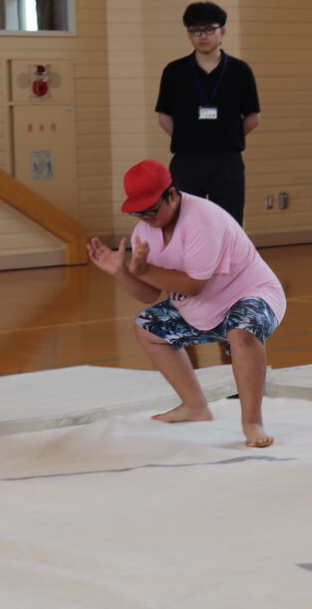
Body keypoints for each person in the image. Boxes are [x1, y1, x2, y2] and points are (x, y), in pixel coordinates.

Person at [88, 159, 287, 448]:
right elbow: (148, 294)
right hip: (202, 308)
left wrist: (143, 270)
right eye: (139, 213)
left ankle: (252, 422)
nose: (147, 218)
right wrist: (121, 272)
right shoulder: (145, 232)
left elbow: (194, 285)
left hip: (250, 294)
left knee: (242, 332)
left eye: (152, 209)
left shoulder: (202, 219)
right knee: (147, 327)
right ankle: (195, 405)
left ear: (172, 194)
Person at [155, 1, 260, 224]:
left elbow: (253, 117)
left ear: (222, 31)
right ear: (189, 35)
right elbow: (164, 116)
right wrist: (187, 137)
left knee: (229, 223)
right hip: (187, 160)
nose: (203, 36)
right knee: (185, 222)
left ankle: (226, 261)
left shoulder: (240, 71)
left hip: (227, 160)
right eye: (195, 30)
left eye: (209, 29)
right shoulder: (174, 72)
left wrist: (228, 136)